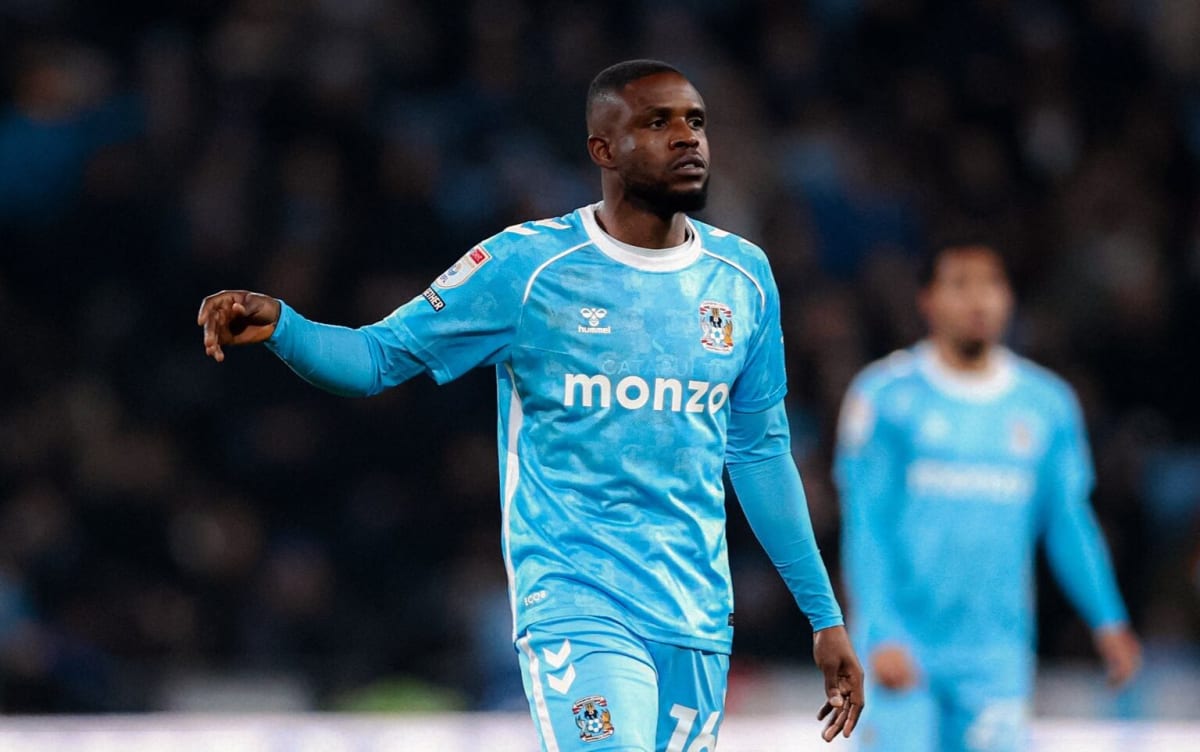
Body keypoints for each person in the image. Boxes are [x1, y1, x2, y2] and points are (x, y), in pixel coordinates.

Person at [198, 59, 864, 750]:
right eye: (657, 122)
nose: (686, 138)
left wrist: (824, 618)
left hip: (695, 615)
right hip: (577, 605)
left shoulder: (743, 276)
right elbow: (375, 359)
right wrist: (286, 327)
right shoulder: (527, 267)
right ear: (603, 149)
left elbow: (758, 453)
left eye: (695, 121)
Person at [834, 239, 1142, 752]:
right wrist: (879, 630)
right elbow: (867, 525)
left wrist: (1108, 619)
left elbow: (1068, 522)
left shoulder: (1047, 405)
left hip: (995, 658)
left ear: (1010, 298)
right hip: (903, 645)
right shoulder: (885, 397)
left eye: (991, 284)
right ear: (927, 300)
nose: (979, 300)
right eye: (959, 285)